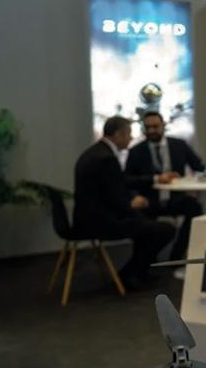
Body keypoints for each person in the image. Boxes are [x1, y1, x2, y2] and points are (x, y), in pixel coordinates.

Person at [73, 116, 175, 290]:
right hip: (101, 222)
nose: (131, 137)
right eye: (129, 134)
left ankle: (138, 273)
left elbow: (110, 190)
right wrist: (132, 206)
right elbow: (115, 197)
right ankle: (126, 276)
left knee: (145, 224)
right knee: (165, 229)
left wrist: (131, 205)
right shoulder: (106, 158)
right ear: (118, 134)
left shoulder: (96, 152)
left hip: (88, 217)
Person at [125, 111, 205, 263]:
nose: (151, 131)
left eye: (155, 126)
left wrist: (188, 179)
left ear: (163, 126)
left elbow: (199, 166)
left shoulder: (179, 145)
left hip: (175, 198)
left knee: (195, 209)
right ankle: (145, 263)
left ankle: (176, 256)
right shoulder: (136, 151)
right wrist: (154, 180)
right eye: (147, 127)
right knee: (142, 222)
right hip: (149, 200)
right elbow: (128, 179)